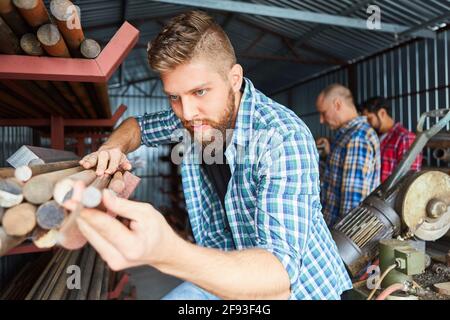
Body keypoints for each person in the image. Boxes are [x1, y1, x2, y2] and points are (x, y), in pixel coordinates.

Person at [62, 11, 351, 300]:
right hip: (228, 273)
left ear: (234, 79)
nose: (186, 113)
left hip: (298, 291)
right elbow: (136, 126)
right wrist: (112, 147)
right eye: (174, 97)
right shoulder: (195, 119)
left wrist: (167, 252)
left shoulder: (282, 137)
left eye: (199, 91)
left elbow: (278, 277)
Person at [315, 84, 380, 228]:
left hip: (342, 236)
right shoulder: (348, 136)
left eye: (323, 113)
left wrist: (341, 241)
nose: (321, 120)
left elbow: (352, 202)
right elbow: (335, 178)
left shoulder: (357, 138)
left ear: (337, 104)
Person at [359, 97, 422, 182]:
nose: (367, 124)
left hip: (389, 194)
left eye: (369, 119)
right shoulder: (373, 137)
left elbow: (409, 179)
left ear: (382, 113)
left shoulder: (405, 138)